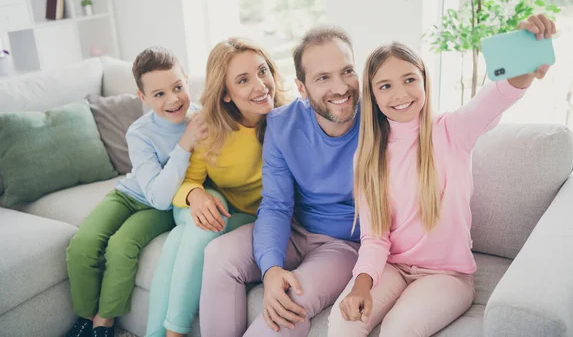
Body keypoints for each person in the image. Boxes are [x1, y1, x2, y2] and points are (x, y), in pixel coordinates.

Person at [327, 14, 557, 337]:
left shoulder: (453, 130)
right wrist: (361, 286)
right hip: (392, 267)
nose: (400, 93)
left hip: (447, 276)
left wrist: (523, 62)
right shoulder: (367, 157)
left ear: (424, 80)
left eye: (409, 79)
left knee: (397, 330)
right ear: (374, 97)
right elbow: (375, 238)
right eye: (385, 86)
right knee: (342, 324)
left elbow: (496, 97)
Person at [199, 26, 362, 337]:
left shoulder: (379, 120)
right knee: (219, 255)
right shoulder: (280, 124)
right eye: (323, 78)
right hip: (295, 231)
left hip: (344, 245)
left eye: (347, 71)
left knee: (288, 303)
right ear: (302, 87)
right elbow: (275, 205)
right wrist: (272, 269)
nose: (340, 87)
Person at [145, 37, 287, 337]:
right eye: (244, 80)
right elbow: (189, 181)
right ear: (225, 94)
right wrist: (195, 196)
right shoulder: (208, 127)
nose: (261, 85)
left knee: (177, 242)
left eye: (263, 71)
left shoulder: (288, 119)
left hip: (250, 217)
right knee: (207, 217)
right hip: (199, 206)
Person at [65, 47, 204, 337]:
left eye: (178, 87)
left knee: (121, 247)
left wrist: (187, 140)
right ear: (143, 97)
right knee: (82, 243)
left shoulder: (201, 121)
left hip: (161, 206)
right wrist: (183, 146)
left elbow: (160, 199)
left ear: (187, 82)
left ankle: (104, 323)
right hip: (128, 194)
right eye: (159, 94)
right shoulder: (139, 132)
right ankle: (86, 318)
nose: (173, 99)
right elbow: (148, 187)